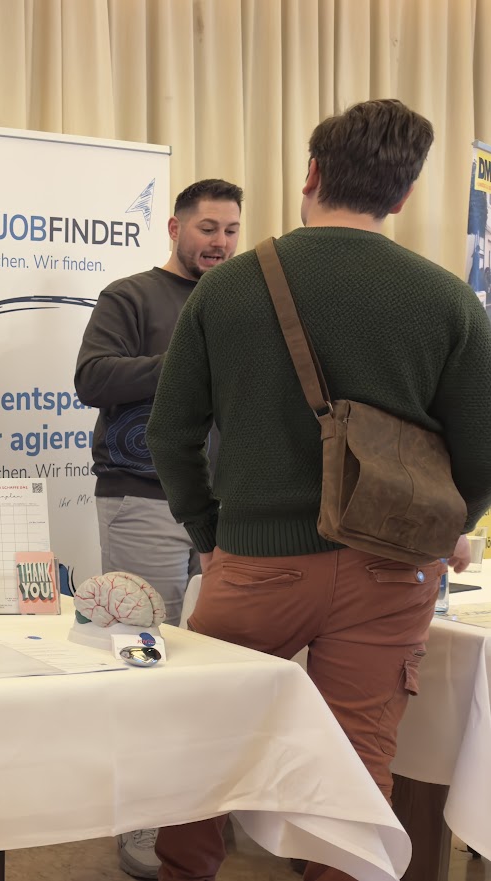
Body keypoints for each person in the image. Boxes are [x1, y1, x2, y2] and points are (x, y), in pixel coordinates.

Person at [147, 98, 491, 881]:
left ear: (310, 173)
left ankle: (185, 872)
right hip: (391, 570)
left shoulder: (227, 289)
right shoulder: (446, 300)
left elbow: (169, 433)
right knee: (357, 764)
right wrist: (444, 527)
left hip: (254, 560)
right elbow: (482, 451)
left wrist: (210, 532)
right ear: (404, 193)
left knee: (207, 738)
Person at [75, 178, 243, 879]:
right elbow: (92, 378)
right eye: (207, 228)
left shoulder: (240, 302)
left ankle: (200, 807)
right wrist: (188, 364)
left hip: (228, 508)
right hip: (143, 498)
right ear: (175, 227)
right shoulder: (131, 296)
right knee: (146, 659)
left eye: (231, 230)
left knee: (218, 663)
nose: (220, 242)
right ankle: (142, 815)